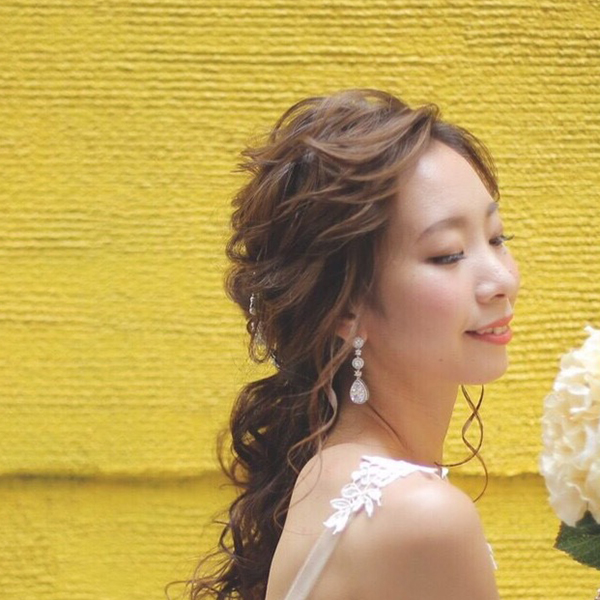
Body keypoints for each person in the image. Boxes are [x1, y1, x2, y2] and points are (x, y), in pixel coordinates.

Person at [180, 89, 519, 600]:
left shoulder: (327, 471)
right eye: (448, 254)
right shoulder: (422, 516)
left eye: (496, 238)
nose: (501, 280)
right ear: (344, 308)